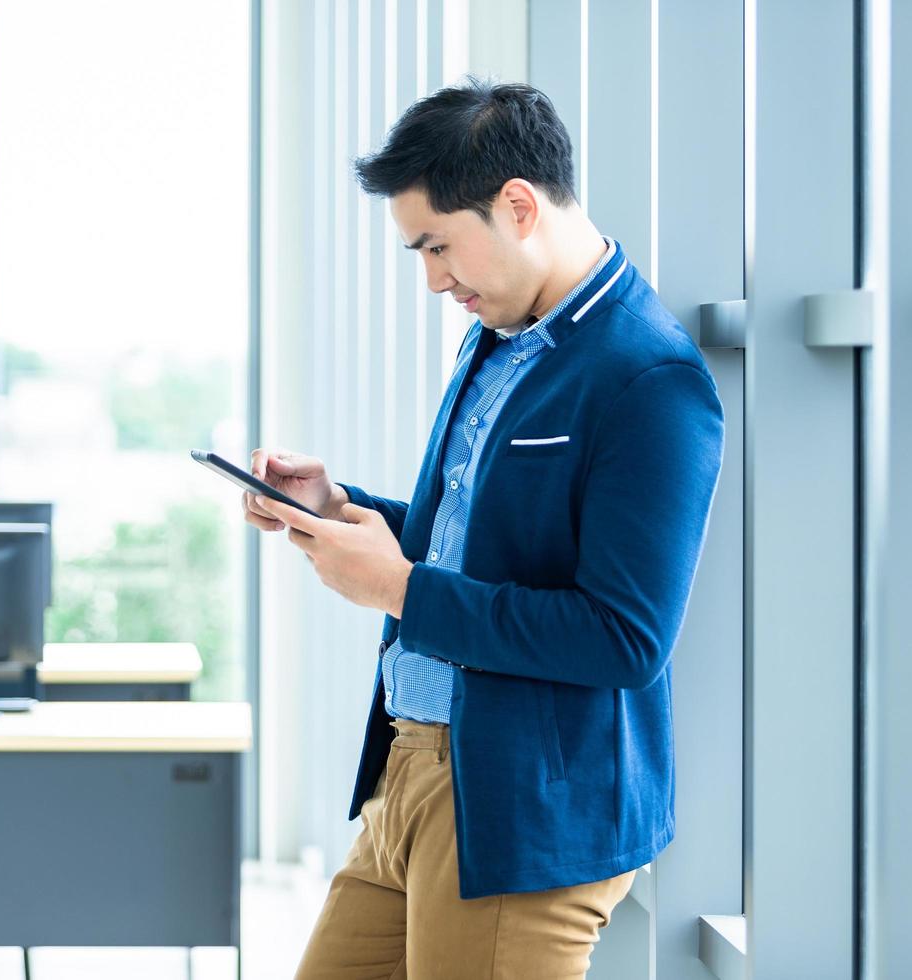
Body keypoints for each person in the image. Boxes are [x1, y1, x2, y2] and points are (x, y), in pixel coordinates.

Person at [244, 77, 725, 979]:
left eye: (438, 246)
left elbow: (622, 639)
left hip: (518, 815)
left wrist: (394, 588)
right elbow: (474, 539)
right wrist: (343, 510)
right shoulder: (501, 337)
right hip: (412, 777)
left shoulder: (649, 378)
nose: (433, 280)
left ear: (517, 206)